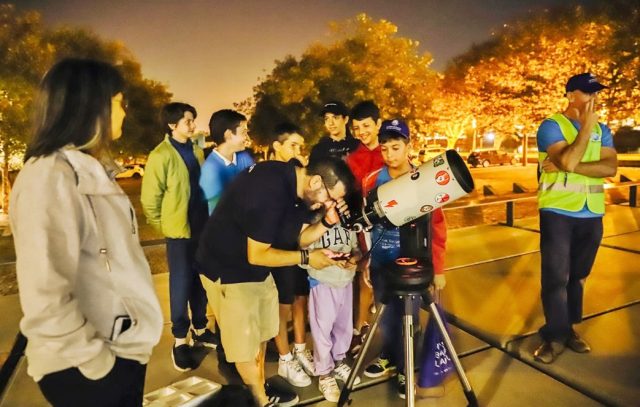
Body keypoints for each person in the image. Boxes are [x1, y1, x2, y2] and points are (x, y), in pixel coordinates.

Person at [9, 58, 163, 407]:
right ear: (91, 105)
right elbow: (45, 291)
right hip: (87, 365)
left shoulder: (87, 170)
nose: (124, 111)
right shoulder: (50, 176)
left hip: (117, 350)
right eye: (118, 102)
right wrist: (97, 365)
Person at [196, 157, 355, 407]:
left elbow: (298, 239)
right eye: (330, 198)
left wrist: (327, 222)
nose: (328, 204)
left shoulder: (299, 192)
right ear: (316, 181)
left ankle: (258, 387)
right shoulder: (268, 192)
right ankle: (260, 401)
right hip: (228, 271)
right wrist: (308, 258)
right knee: (245, 347)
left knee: (260, 337)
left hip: (258, 270)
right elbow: (257, 254)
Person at [533, 73, 617, 364]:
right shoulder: (551, 126)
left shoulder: (603, 130)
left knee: (578, 276)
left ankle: (568, 328)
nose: (594, 98)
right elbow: (567, 159)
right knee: (556, 277)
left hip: (592, 212)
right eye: (587, 92)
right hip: (558, 211)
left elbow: (610, 168)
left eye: (596, 92)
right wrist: (586, 129)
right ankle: (555, 336)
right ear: (570, 95)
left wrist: (567, 165)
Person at [361, 119, 447, 399]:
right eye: (384, 148)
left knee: (410, 320)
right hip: (381, 262)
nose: (390, 154)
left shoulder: (424, 180)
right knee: (385, 316)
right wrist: (367, 260)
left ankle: (406, 368)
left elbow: (437, 227)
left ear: (409, 146)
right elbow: (367, 225)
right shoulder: (371, 181)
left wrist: (438, 268)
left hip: (413, 263)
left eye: (396, 147)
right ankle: (389, 355)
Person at [141, 102, 217, 372]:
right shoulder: (160, 155)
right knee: (181, 285)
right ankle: (180, 340)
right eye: (188, 121)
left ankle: (200, 328)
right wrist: (167, 227)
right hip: (180, 233)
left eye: (193, 120)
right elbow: (150, 200)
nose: (193, 125)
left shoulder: (196, 150)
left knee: (200, 283)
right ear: (172, 125)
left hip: (202, 228)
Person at [267, 123, 315, 387]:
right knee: (282, 304)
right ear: (277, 146)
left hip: (298, 247)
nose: (298, 150)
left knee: (300, 298)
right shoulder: (268, 177)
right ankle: (285, 359)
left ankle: (299, 348)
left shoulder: (298, 171)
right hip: (278, 251)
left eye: (300, 146)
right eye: (292, 145)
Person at [301, 222, 362, 402]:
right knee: (322, 331)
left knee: (344, 327)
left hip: (345, 282)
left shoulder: (347, 218)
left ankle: (339, 361)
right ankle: (324, 374)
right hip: (322, 283)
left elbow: (356, 248)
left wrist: (355, 259)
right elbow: (302, 254)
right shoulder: (313, 221)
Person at [344, 100, 385, 354]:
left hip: (391, 227)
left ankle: (393, 332)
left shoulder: (390, 151)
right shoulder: (353, 158)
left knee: (387, 279)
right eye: (357, 128)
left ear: (378, 124)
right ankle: (359, 329)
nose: (361, 132)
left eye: (366, 126)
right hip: (366, 227)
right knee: (365, 278)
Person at [199, 109, 254, 215]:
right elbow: (217, 214)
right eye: (244, 133)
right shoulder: (210, 170)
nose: (247, 138)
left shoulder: (245, 158)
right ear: (228, 135)